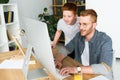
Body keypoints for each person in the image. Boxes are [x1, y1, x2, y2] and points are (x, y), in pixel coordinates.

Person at [55, 9, 113, 80]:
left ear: (94, 25)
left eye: (85, 24)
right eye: (80, 24)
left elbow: (105, 68)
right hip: (83, 73)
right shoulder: (78, 36)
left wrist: (77, 69)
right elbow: (66, 49)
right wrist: (57, 60)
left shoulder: (105, 40)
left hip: (99, 77)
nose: (81, 28)